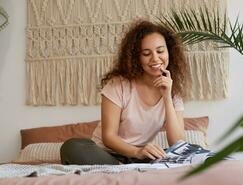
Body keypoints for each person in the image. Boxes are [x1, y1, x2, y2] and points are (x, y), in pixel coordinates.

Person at [60, 20, 190, 165]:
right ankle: (122, 169)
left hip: (140, 158)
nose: (155, 58)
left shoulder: (173, 92)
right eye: (146, 53)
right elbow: (108, 136)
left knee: (176, 157)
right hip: (106, 154)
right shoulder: (118, 85)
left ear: (169, 52)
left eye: (160, 51)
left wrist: (167, 98)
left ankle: (125, 170)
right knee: (72, 147)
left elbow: (178, 143)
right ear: (137, 57)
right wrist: (137, 152)